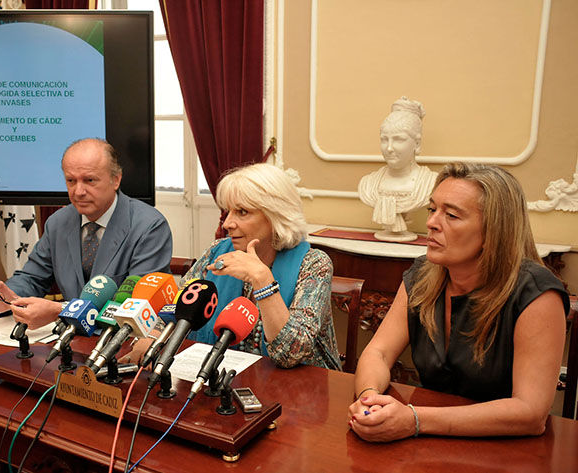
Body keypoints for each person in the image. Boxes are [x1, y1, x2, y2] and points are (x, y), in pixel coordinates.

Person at [348, 162, 569, 442]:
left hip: (505, 449)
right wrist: (369, 399)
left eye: (451, 215)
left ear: (493, 232)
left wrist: (415, 419)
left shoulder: (536, 294)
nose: (431, 223)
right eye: (432, 209)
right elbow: (377, 353)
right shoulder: (421, 276)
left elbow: (530, 413)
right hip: (428, 441)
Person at [130, 163, 341, 370]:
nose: (227, 223)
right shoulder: (216, 252)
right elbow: (180, 306)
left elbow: (290, 354)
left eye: (242, 212)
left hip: (301, 391)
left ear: (275, 215)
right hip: (220, 378)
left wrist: (262, 279)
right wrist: (155, 335)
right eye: (227, 211)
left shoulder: (314, 264)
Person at [0, 138, 173, 329]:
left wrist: (60, 310)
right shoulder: (58, 222)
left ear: (116, 179)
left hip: (120, 342)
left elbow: (137, 307)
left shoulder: (150, 226)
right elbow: (33, 277)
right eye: (71, 181)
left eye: (89, 180)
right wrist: (8, 295)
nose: (78, 191)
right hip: (68, 341)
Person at [358, 96, 437, 241]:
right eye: (384, 139)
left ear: (417, 144)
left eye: (399, 139)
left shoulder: (430, 183)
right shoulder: (369, 184)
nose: (389, 148)